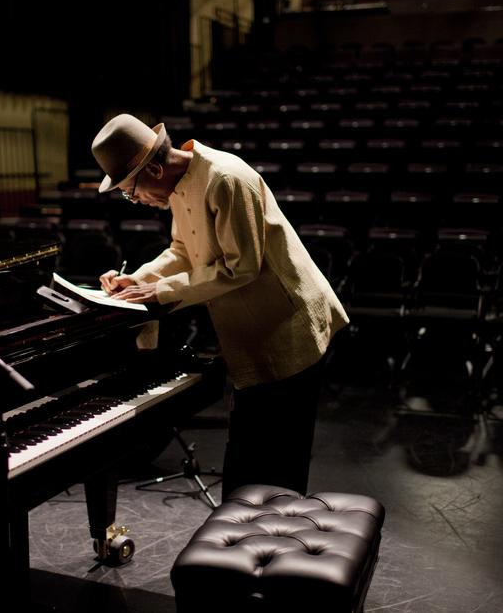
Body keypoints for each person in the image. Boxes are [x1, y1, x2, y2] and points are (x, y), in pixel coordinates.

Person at [92, 113, 348, 497]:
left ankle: (276, 543)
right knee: (247, 462)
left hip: (288, 328)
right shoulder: (179, 185)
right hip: (253, 330)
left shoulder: (225, 179)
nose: (135, 201)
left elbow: (241, 266)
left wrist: (160, 292)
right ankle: (247, 536)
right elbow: (183, 249)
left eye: (131, 191)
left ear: (156, 170)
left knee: (278, 463)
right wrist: (141, 279)